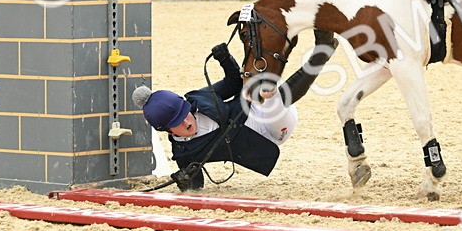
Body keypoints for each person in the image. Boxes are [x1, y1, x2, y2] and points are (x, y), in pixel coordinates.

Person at [133, 31, 337, 190]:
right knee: (271, 95)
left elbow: (233, 84)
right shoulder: (183, 152)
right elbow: (196, 187)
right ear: (168, 131)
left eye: (184, 112)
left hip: (260, 110)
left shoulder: (198, 98)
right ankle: (323, 51)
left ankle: (322, 48)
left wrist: (225, 59)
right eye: (178, 123)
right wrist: (184, 181)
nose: (187, 121)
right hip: (271, 137)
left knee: (264, 86)